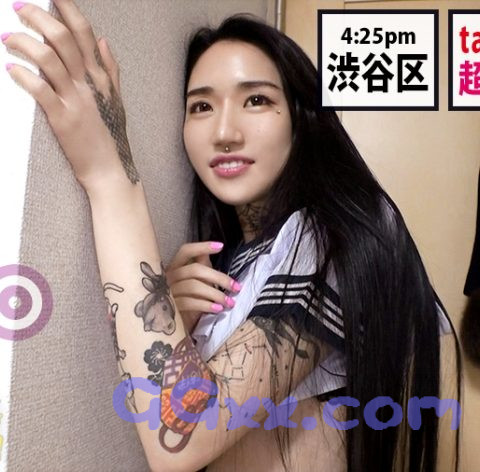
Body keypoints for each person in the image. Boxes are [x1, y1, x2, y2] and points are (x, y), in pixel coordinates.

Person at [3, 1, 462, 471]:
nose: (224, 132)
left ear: (301, 118)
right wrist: (170, 316)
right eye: (201, 106)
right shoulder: (234, 262)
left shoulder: (333, 230)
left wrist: (110, 174)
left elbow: (184, 436)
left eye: (256, 100)